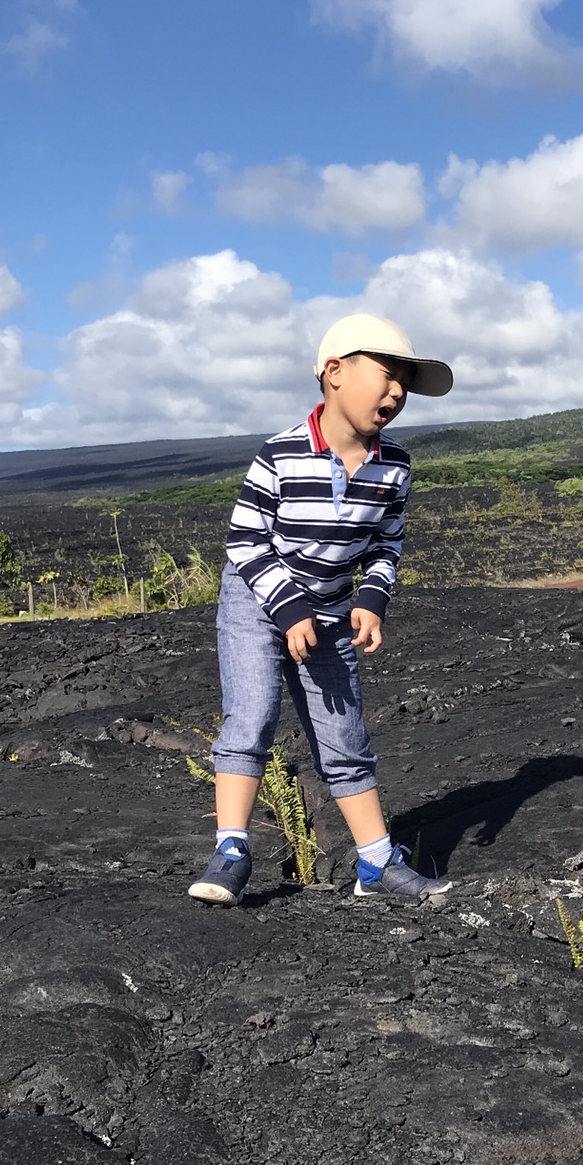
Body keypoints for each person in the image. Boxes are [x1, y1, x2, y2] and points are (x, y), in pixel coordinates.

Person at [188, 313, 454, 906]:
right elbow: (244, 540)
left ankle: (376, 863)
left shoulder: (396, 466)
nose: (398, 393)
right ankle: (230, 849)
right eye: (389, 375)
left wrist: (370, 599)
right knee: (252, 716)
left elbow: (388, 543)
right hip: (257, 601)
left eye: (406, 383)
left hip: (332, 610)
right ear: (335, 372)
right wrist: (286, 608)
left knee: (344, 735)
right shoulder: (281, 453)